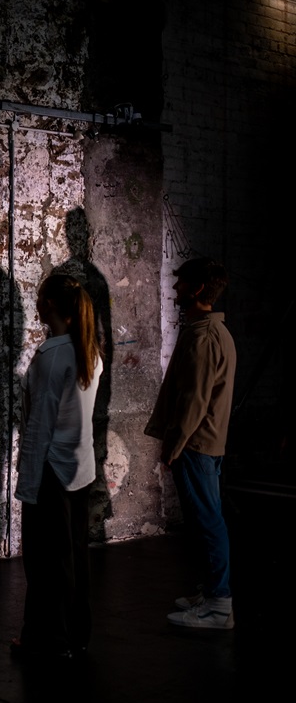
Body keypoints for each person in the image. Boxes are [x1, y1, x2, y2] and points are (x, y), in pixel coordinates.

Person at [14, 273, 102, 658]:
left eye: (39, 298)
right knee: (73, 557)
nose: (36, 303)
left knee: (43, 562)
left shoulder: (51, 356)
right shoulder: (89, 351)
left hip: (51, 471)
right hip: (79, 469)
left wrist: (27, 484)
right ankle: (74, 633)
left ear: (49, 305)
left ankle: (47, 640)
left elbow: (39, 427)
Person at [145, 257, 236, 629]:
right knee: (206, 521)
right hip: (202, 444)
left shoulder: (203, 338)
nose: (175, 288)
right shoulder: (210, 332)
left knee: (208, 522)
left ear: (198, 288)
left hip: (196, 445)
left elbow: (194, 402)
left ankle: (219, 605)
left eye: (181, 283)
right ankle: (213, 592)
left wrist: (172, 447)